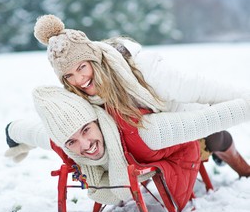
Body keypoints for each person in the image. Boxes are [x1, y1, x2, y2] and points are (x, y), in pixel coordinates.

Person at [31, 14, 250, 177]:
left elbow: (203, 89)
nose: (79, 80)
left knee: (216, 139)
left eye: (82, 67)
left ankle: (241, 167)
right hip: (147, 144)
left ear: (94, 60)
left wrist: (245, 98)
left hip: (185, 123)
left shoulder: (145, 70)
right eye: (68, 76)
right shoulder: (81, 97)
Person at [6, 86, 201, 212]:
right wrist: (11, 135)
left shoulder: (137, 130)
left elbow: (204, 120)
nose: (85, 145)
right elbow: (30, 132)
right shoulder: (61, 143)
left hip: (183, 133)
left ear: (97, 121)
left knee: (217, 142)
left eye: (86, 130)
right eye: (72, 141)